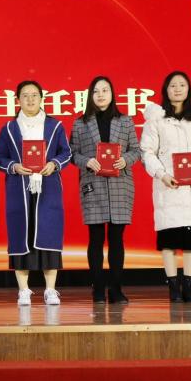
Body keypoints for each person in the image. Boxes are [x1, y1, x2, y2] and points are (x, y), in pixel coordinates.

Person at [140, 71, 191, 304]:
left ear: (188, 89)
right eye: (172, 85)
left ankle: (189, 287)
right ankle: (173, 287)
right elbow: (147, 152)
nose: (177, 89)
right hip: (168, 187)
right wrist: (162, 174)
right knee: (169, 240)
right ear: (166, 90)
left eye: (182, 85)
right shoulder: (156, 119)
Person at [0, 80, 72, 307]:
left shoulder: (55, 126)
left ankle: (50, 290)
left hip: (48, 187)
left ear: (41, 98)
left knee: (49, 234)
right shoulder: (9, 128)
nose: (30, 99)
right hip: (19, 188)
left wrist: (54, 163)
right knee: (21, 235)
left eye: (34, 95)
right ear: (18, 100)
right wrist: (14, 166)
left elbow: (66, 152)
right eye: (25, 95)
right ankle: (23, 290)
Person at [69, 76, 141, 304]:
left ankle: (116, 289)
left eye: (105, 90)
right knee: (96, 237)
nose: (100, 95)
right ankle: (98, 289)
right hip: (93, 183)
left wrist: (125, 159)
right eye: (96, 91)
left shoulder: (125, 121)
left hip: (120, 184)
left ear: (112, 94)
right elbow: (72, 153)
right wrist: (87, 161)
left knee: (117, 238)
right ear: (90, 95)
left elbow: (137, 150)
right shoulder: (80, 123)